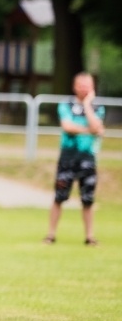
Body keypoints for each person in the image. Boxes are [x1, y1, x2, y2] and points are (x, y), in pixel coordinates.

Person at [44, 72, 105, 246]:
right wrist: (89, 130)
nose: (85, 88)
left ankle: (89, 236)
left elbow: (97, 126)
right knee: (59, 197)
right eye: (82, 85)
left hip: (88, 158)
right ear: (75, 86)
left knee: (88, 199)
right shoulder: (66, 105)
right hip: (67, 158)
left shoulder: (97, 107)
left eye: (89, 85)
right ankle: (51, 234)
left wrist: (87, 105)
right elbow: (68, 127)